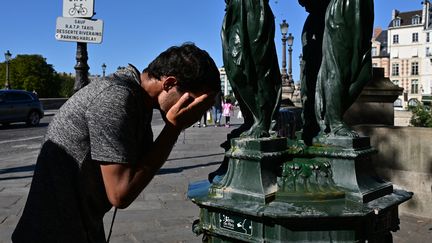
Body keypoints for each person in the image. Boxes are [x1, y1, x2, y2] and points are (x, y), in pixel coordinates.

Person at [12, 43, 220, 243]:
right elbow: (120, 194)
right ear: (169, 84)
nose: (196, 112)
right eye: (194, 102)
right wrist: (173, 129)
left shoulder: (139, 99)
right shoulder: (116, 97)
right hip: (53, 233)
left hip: (80, 227)